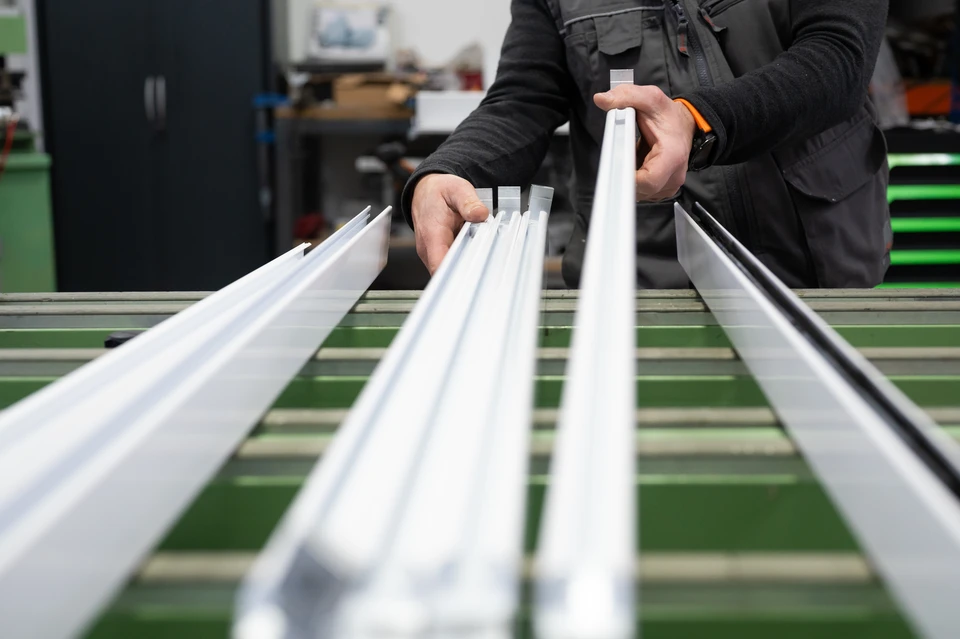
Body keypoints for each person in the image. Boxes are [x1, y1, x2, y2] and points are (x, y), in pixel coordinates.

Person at [402, 0, 892, 289]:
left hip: (818, 260)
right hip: (643, 280)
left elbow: (838, 56)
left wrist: (698, 121)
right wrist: (451, 169)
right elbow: (525, 95)